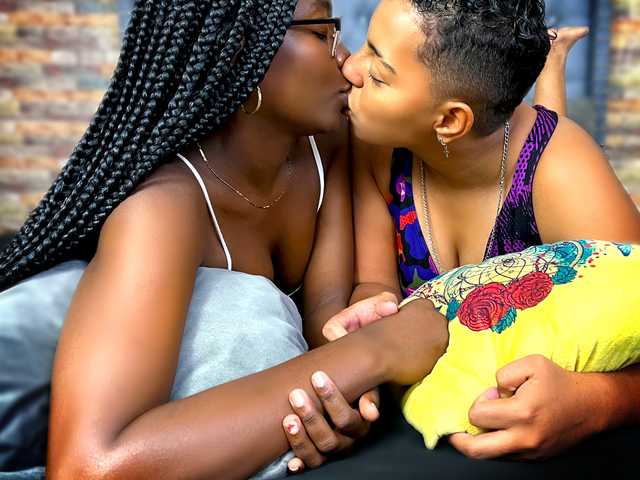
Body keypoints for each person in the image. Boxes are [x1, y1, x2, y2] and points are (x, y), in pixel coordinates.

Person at [0, 1, 451, 479]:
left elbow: (325, 315)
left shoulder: (325, 143)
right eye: (323, 35)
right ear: (241, 53)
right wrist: (376, 351)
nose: (349, 62)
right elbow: (87, 467)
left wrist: (342, 397)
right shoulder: (162, 206)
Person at [281, 0, 640, 471]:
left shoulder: (562, 175)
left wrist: (598, 402)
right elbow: (375, 282)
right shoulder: (380, 149)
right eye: (364, 45)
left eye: (380, 74)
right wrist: (374, 312)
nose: (350, 68)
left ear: (450, 121)